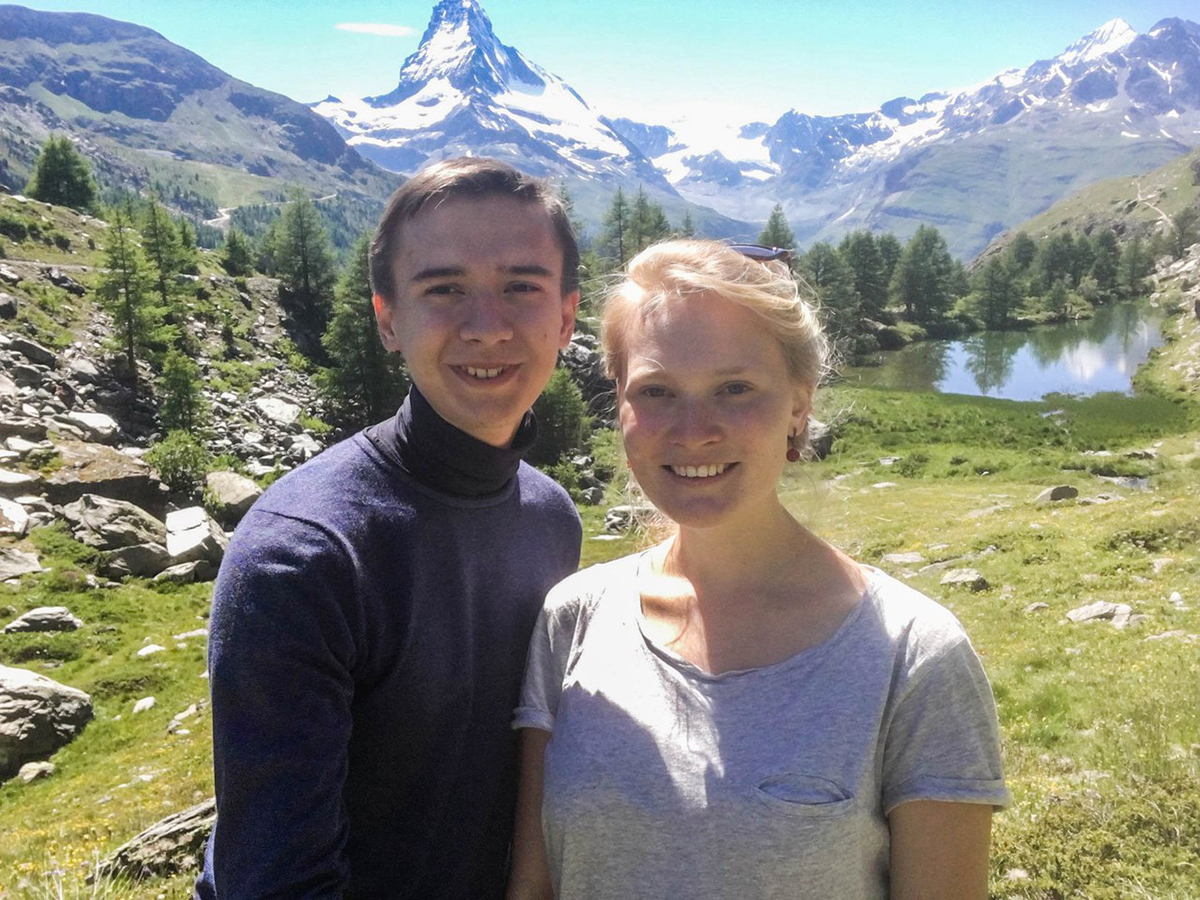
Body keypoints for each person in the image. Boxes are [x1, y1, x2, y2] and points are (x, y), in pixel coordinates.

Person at [508, 239, 1008, 900]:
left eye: (734, 388)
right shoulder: (572, 619)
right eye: (656, 391)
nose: (693, 430)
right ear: (621, 404)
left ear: (799, 405)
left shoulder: (913, 659)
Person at [196, 157, 584, 899]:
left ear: (565, 317)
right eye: (444, 290)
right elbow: (276, 883)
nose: (486, 325)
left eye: (521, 288)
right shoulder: (304, 554)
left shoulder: (549, 519)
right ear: (388, 320)